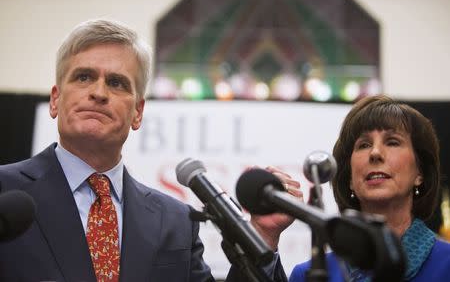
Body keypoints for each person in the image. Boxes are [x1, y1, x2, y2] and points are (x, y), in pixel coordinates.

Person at [0, 19, 299, 281]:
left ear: (137, 113)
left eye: (117, 83)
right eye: (83, 77)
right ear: (55, 99)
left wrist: (262, 235)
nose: (99, 93)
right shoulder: (5, 192)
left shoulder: (176, 221)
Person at [290, 95, 450, 281]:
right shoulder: (306, 276)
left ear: (420, 173)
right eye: (364, 145)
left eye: (392, 142)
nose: (375, 153)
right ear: (350, 177)